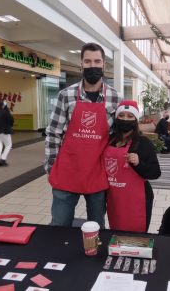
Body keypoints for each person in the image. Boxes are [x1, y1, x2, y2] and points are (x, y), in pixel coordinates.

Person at [44, 42, 121, 228]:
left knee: (96, 227)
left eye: (97, 61)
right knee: (59, 225)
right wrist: (51, 166)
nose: (92, 66)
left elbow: (117, 138)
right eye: (88, 61)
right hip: (67, 171)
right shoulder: (66, 95)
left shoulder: (115, 98)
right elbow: (53, 133)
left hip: (97, 172)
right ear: (81, 64)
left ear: (104, 65)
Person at [103, 100, 161, 232]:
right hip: (115, 199)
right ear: (116, 118)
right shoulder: (110, 140)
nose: (125, 119)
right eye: (121, 115)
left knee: (135, 238)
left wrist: (139, 163)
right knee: (116, 233)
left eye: (130, 116)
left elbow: (155, 172)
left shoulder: (143, 142)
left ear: (135, 120)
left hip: (137, 200)